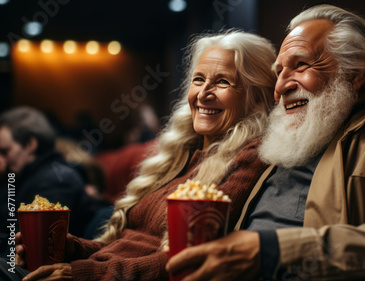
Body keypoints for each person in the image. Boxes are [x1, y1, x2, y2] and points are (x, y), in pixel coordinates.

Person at [166, 4, 365, 280]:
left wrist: (273, 251)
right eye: (279, 72)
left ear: (354, 74)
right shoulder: (281, 145)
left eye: (301, 65)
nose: (281, 86)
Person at [7, 30, 277, 280]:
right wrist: (70, 249)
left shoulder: (250, 156)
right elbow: (126, 245)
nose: (204, 93)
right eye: (198, 79)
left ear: (255, 96)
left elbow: (182, 262)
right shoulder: (180, 152)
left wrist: (82, 274)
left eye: (222, 82)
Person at [0, 107, 108, 248]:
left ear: (30, 144)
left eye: (5, 151)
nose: (1, 160)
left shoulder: (56, 180)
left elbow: (32, 248)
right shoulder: (23, 178)